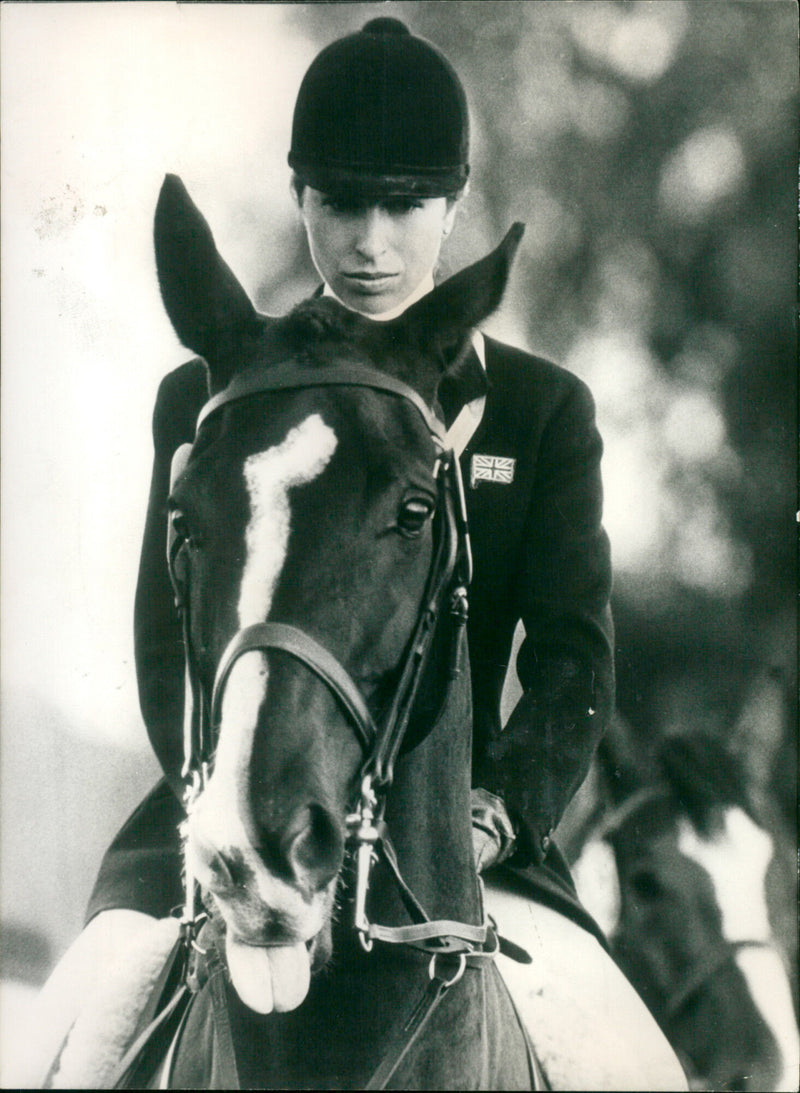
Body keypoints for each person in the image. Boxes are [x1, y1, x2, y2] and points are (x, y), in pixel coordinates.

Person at [35, 18, 686, 1090]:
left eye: (402, 206)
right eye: (340, 203)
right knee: (78, 1017)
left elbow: (573, 663)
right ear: (300, 200)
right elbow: (167, 646)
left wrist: (500, 812)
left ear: (452, 202)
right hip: (228, 824)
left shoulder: (543, 411)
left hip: (462, 852)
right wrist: (222, 801)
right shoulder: (207, 396)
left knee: (630, 1058)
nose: (370, 244)